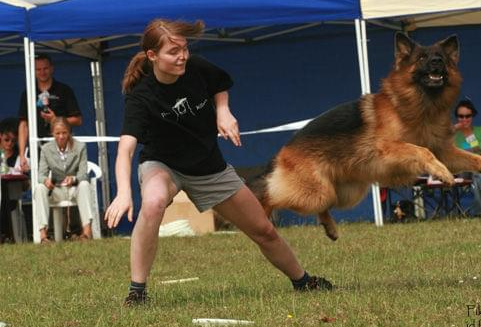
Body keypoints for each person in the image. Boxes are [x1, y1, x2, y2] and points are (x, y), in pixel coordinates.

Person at [104, 19, 332, 306]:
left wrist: (223, 111)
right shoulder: (141, 97)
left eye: (184, 49)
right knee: (153, 202)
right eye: (173, 52)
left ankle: (303, 281)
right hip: (164, 165)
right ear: (152, 56)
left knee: (264, 230)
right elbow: (125, 149)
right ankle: (137, 292)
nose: (182, 57)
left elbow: (219, 85)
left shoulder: (196, 68)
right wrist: (124, 192)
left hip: (209, 166)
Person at [17, 53, 83, 172]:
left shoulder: (64, 90)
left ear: (52, 68)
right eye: (38, 69)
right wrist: (21, 154)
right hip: (37, 148)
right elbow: (23, 125)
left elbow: (78, 120)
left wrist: (56, 120)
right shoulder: (28, 93)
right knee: (41, 186)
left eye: (45, 68)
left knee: (64, 185)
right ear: (33, 71)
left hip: (62, 146)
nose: (42, 72)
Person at [35, 117, 92, 243]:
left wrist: (74, 178)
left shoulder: (80, 147)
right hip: (57, 190)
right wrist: (46, 181)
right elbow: (40, 175)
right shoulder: (46, 149)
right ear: (52, 134)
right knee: (39, 188)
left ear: (69, 132)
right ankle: (43, 236)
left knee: (84, 184)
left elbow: (84, 174)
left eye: (64, 132)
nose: (61, 136)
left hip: (74, 189)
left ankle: (87, 233)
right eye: (58, 133)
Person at [453, 99, 481, 216]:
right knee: (472, 166)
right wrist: (454, 128)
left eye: (468, 116)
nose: (464, 119)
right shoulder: (454, 136)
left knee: (476, 177)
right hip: (464, 171)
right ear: (457, 118)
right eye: (461, 116)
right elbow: (439, 139)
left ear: (472, 116)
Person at [0, 118, 20, 242]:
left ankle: (4, 234)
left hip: (13, 192)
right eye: (6, 140)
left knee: (4, 188)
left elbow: (26, 185)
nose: (9, 144)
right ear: (0, 136)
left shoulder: (19, 154)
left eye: (13, 141)